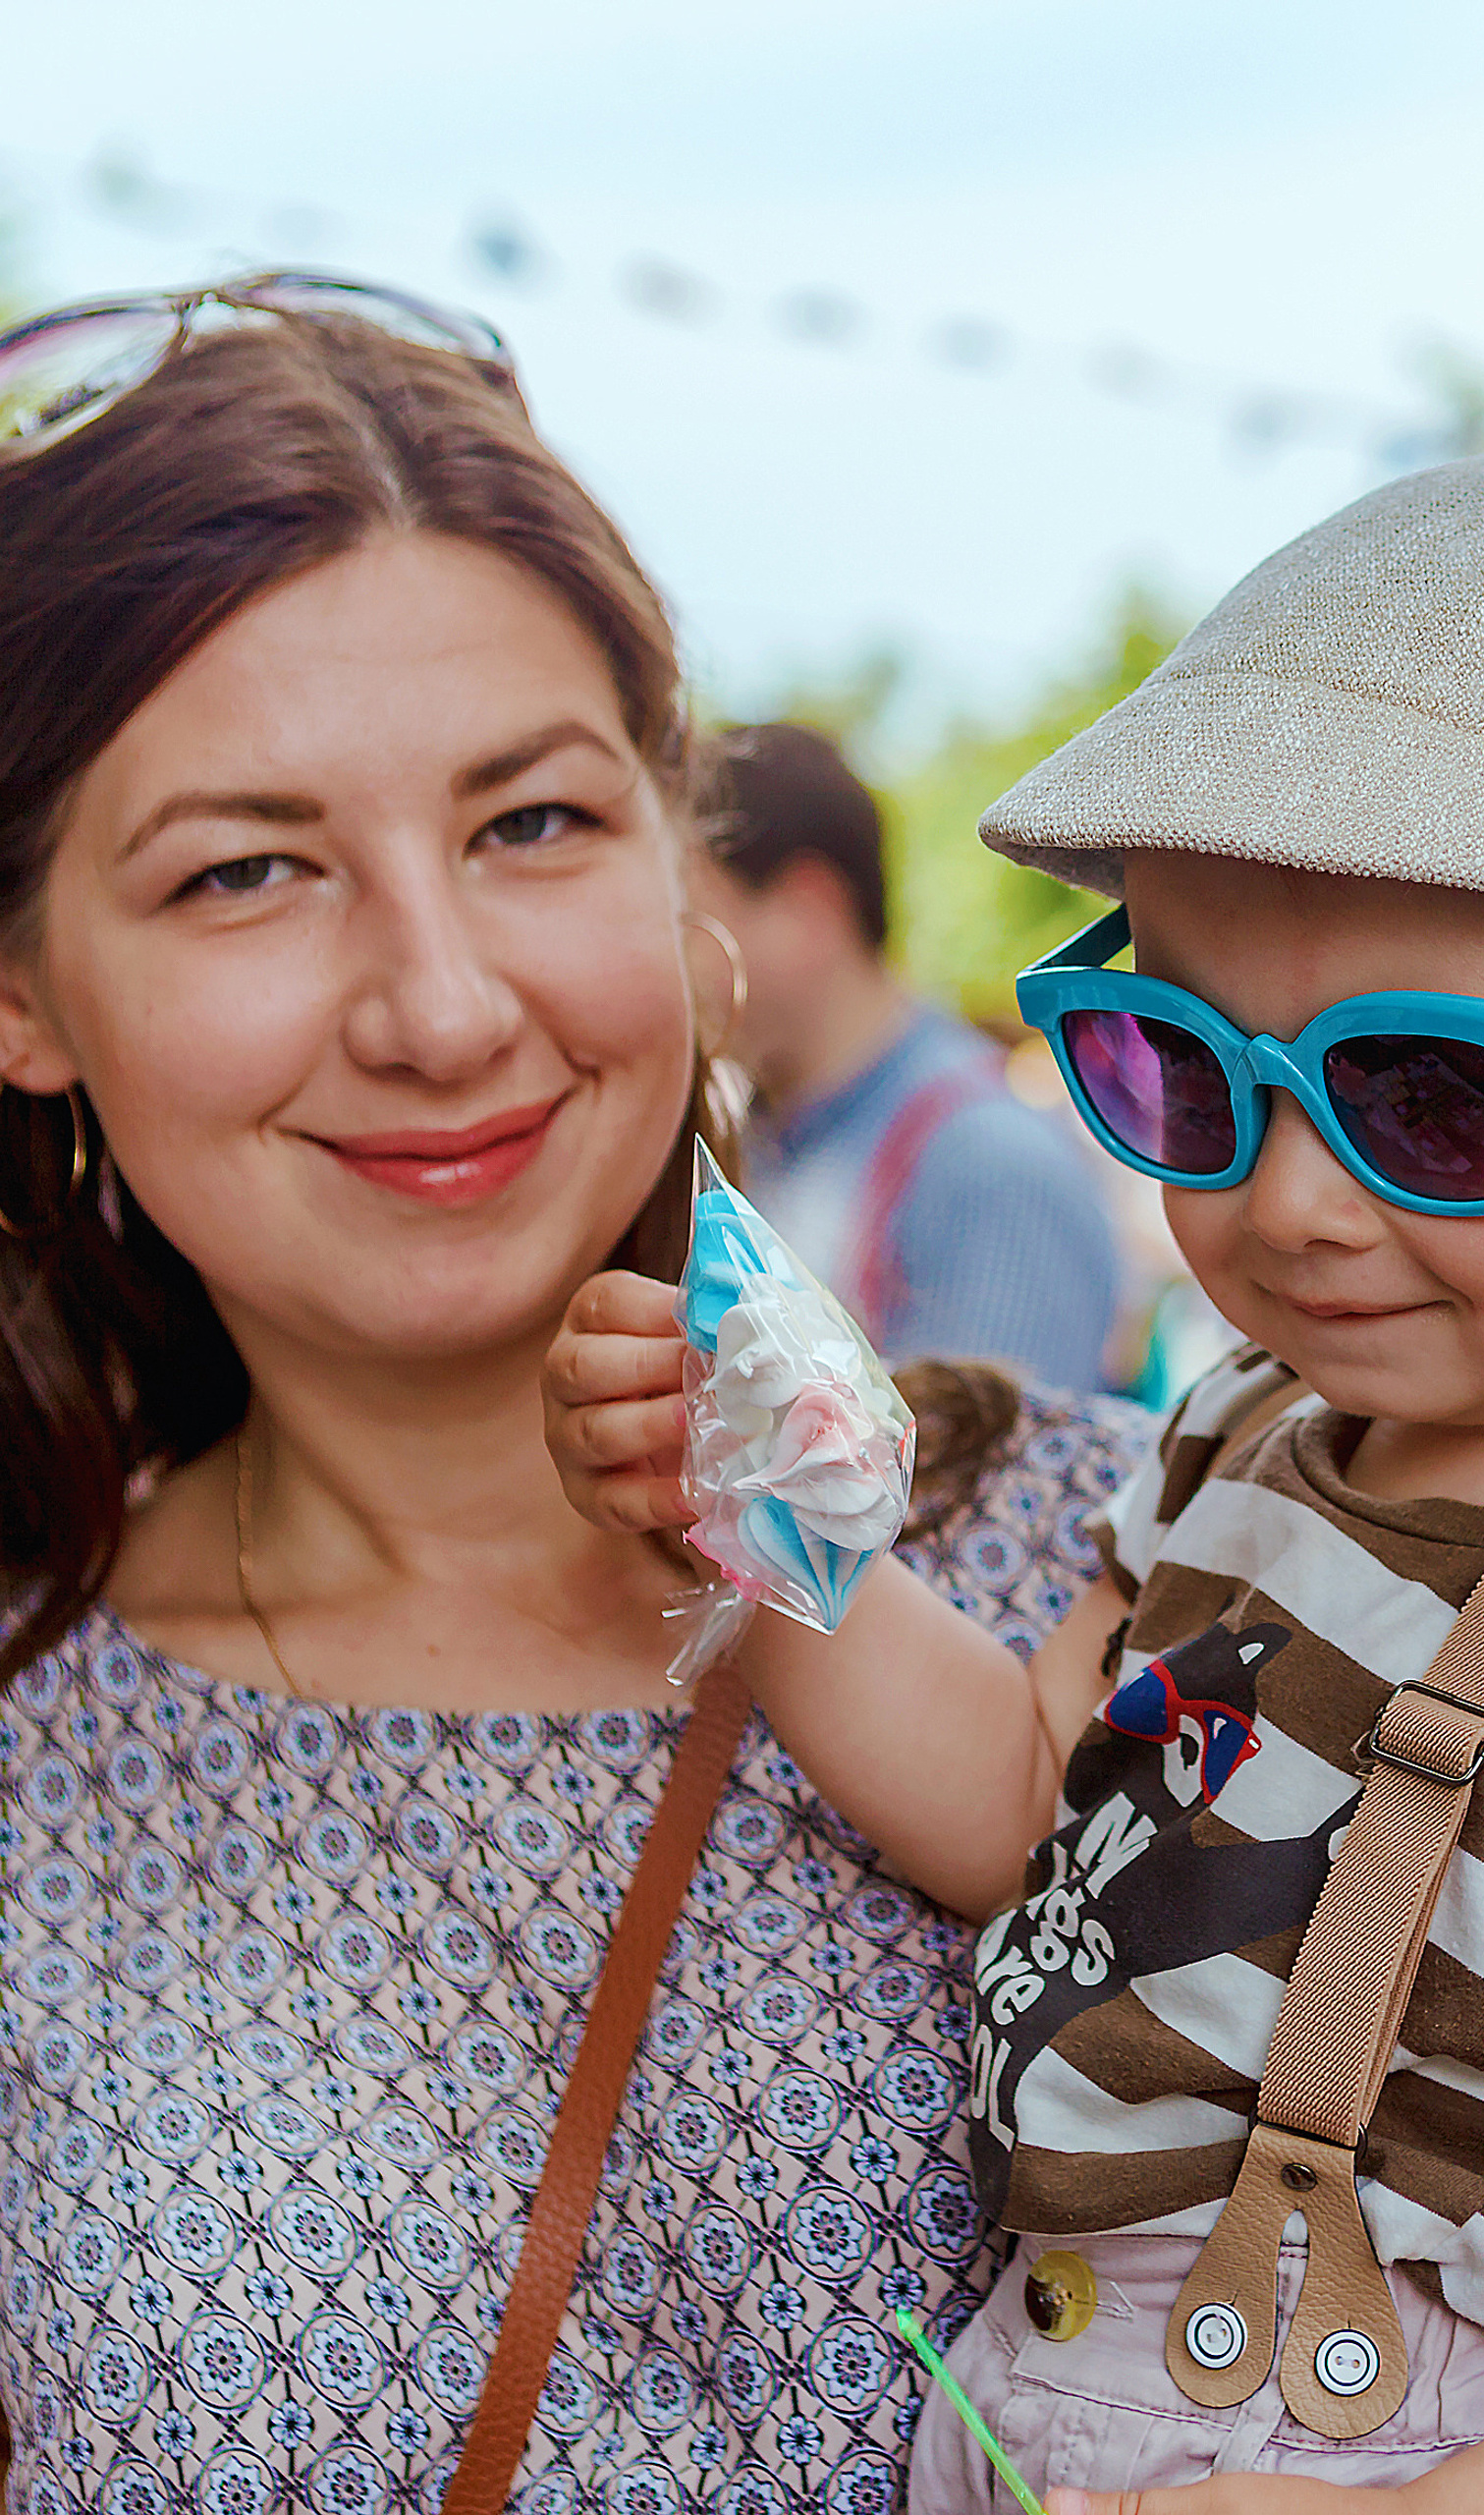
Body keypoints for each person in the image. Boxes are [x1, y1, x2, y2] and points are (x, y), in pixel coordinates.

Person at [549, 451, 1484, 2512]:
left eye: (1427, 1094)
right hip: (1039, 2390)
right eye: (1181, 1071)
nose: (1289, 1196)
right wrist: (747, 1522)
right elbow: (1022, 1805)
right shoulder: (1239, 1436)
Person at [0, 280, 1144, 2513]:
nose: (440, 1002)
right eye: (247, 868)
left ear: (675, 856)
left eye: (529, 824)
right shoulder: (30, 1737)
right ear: (26, 990)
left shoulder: (1156, 1575)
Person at [693, 722, 1124, 1392]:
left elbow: (989, 1487)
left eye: (690, 921)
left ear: (808, 912)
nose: (665, 963)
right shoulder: (770, 1133)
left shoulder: (988, 1163)